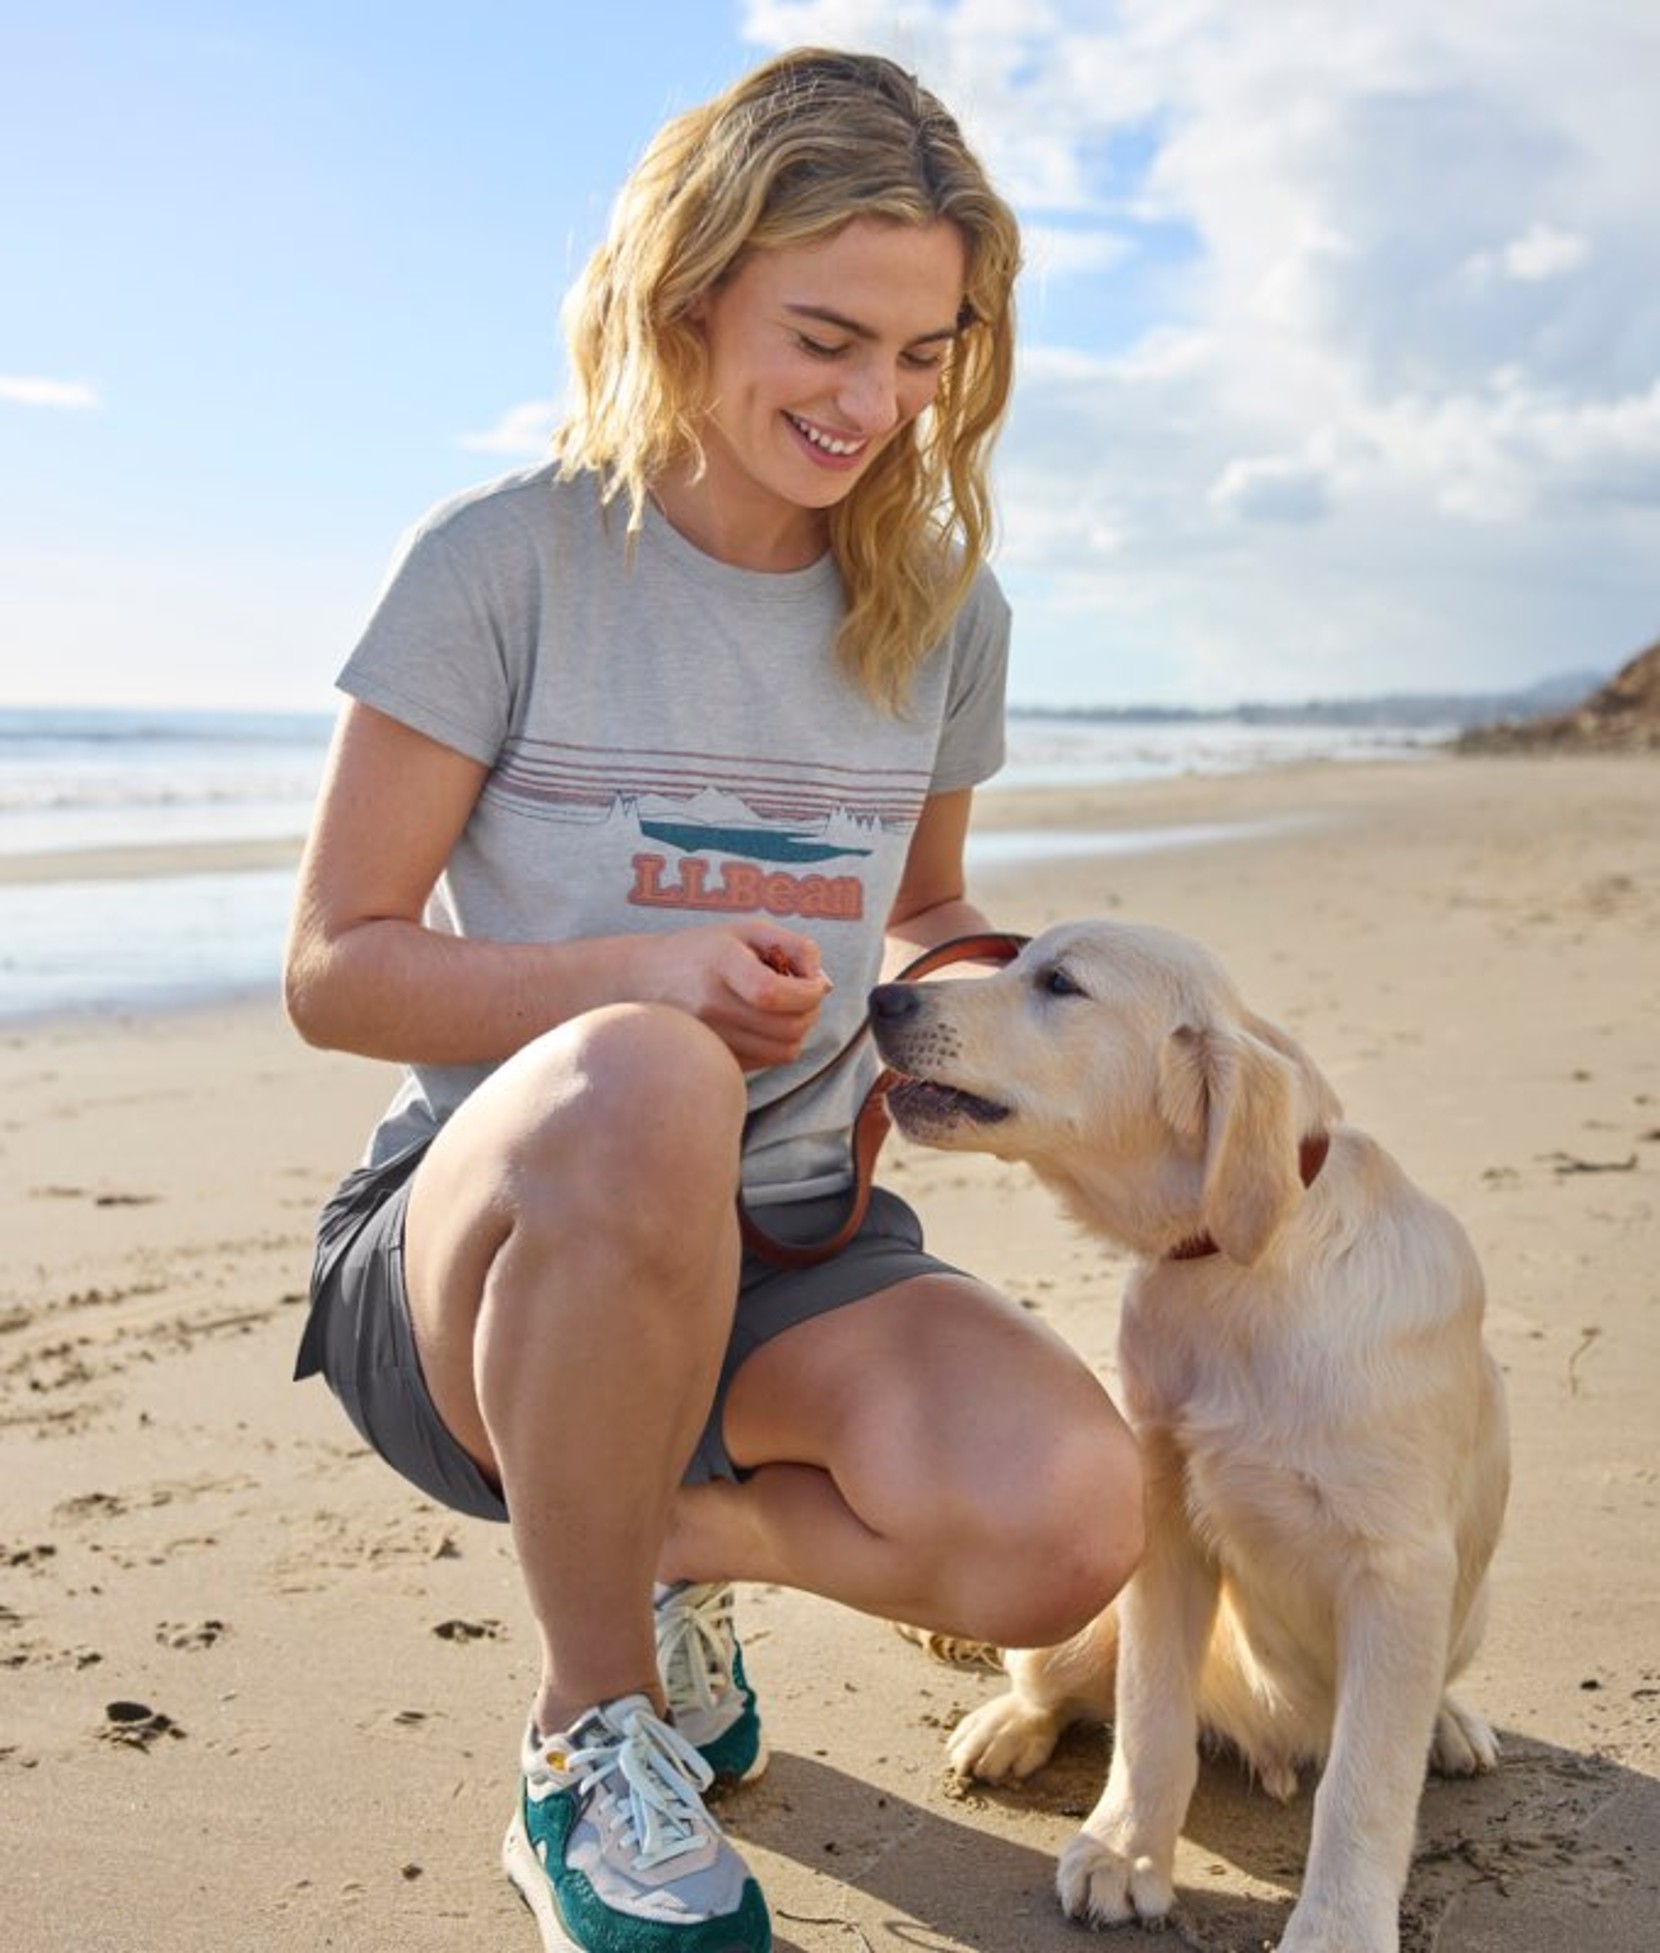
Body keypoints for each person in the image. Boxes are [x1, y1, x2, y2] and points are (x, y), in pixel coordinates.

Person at [286, 44, 1142, 1953]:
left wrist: (1035, 1006)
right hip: (486, 1251)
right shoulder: (500, 565)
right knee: (646, 1074)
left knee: (1076, 1514)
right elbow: (334, 965)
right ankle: (587, 1737)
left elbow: (921, 908)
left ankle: (653, 1547)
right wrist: (633, 980)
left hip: (791, 1243)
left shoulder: (938, 604)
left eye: (924, 356)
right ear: (689, 297)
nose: (875, 405)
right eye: (829, 338)